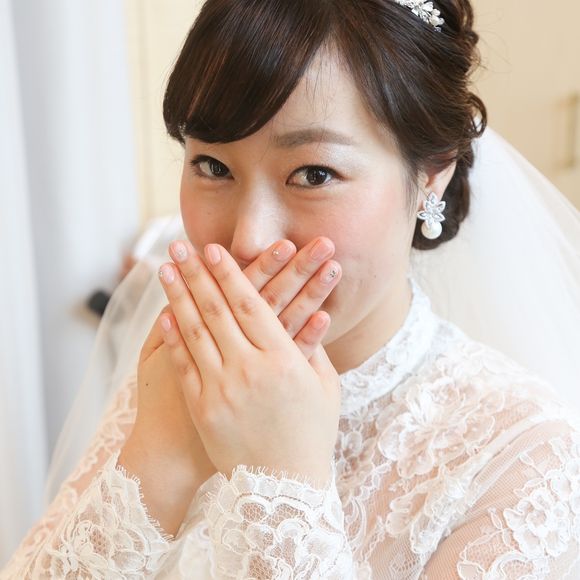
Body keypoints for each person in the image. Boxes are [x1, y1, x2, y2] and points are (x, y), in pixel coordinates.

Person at [3, 0, 580, 577]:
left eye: (314, 174)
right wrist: (164, 463)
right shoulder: (185, 372)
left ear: (432, 173)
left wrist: (280, 481)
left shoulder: (524, 460)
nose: (248, 239)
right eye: (213, 167)